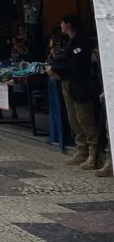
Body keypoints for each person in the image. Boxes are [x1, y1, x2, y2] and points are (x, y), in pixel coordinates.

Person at [46, 14, 99, 170]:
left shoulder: (81, 42)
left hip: (80, 83)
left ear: (69, 24)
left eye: (62, 23)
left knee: (85, 118)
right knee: (73, 118)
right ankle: (81, 149)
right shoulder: (69, 42)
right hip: (67, 82)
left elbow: (77, 64)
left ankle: (94, 154)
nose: (60, 25)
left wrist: (56, 69)